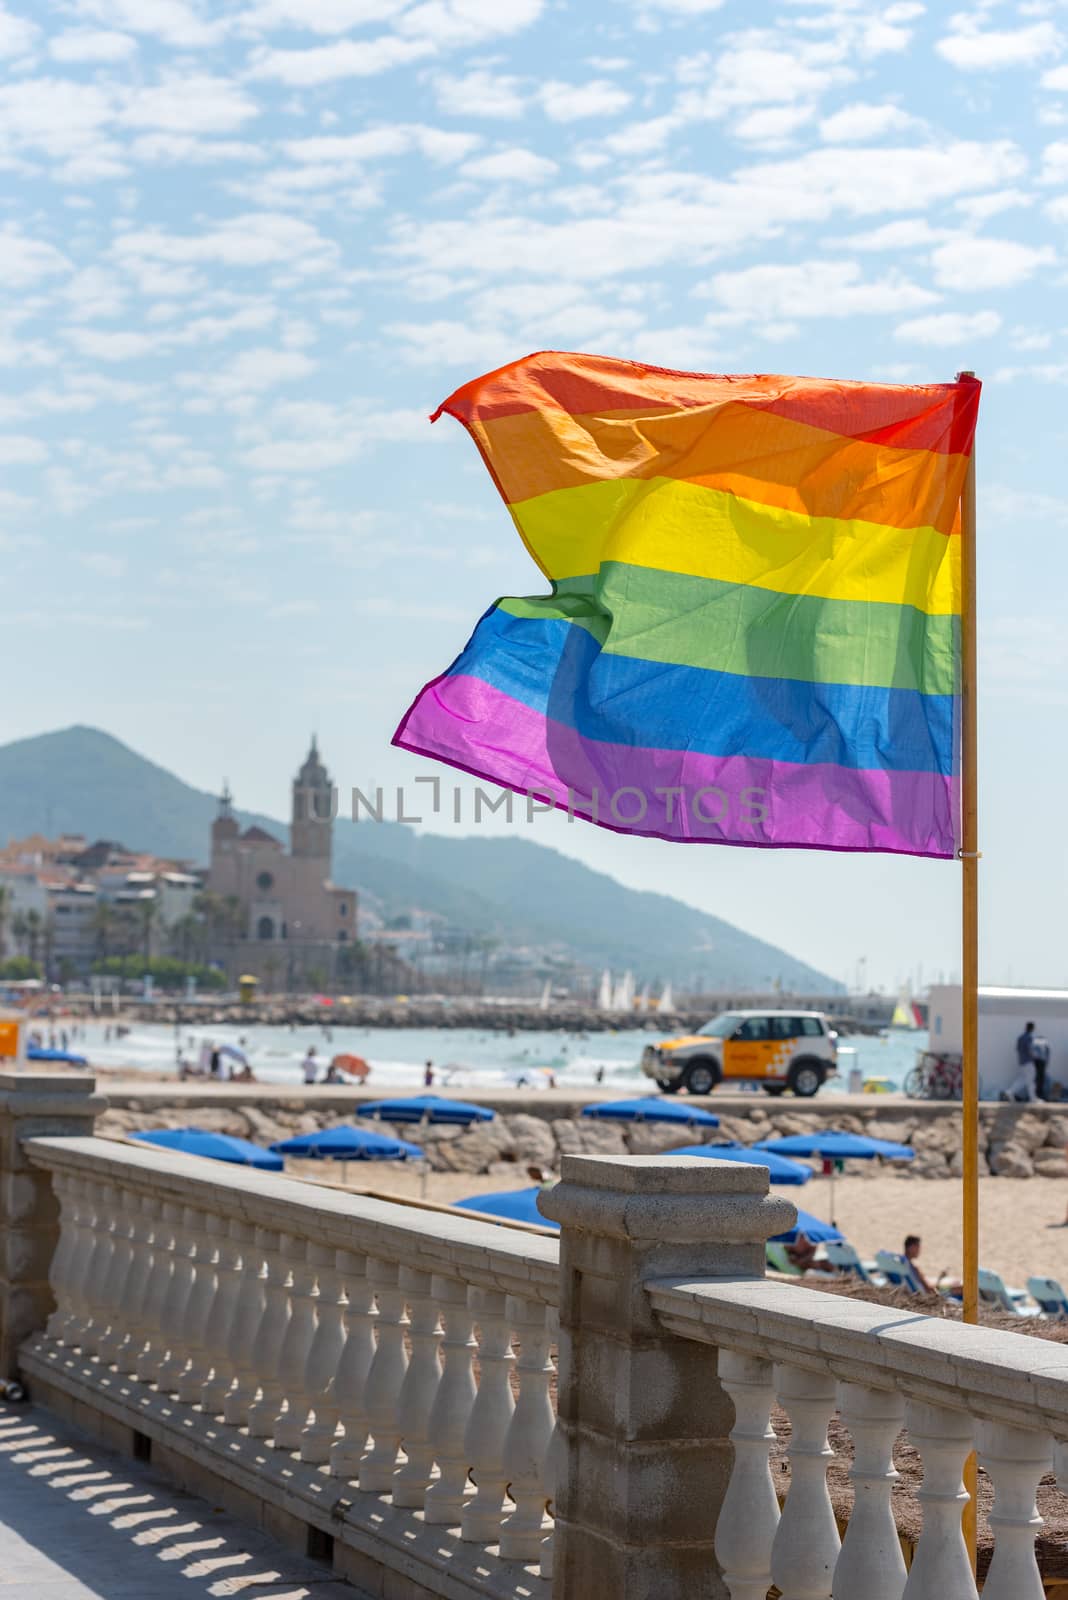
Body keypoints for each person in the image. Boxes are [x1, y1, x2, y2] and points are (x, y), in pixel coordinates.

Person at [1004, 1021, 1038, 1102]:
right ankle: (1033, 1098)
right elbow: (1030, 1049)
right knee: (1031, 1080)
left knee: (1023, 1079)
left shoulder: (1020, 1037)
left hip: (1021, 1061)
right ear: (1033, 1028)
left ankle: (1009, 1092)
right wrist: (1035, 1057)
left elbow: (1017, 1049)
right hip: (1028, 1062)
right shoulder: (1029, 1037)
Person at [1033, 1034, 1051, 1101]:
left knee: (1038, 1079)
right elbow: (1048, 1053)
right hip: (1041, 1062)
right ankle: (1039, 1094)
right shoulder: (1044, 1043)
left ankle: (1038, 1094)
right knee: (1040, 1079)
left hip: (1037, 1062)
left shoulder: (1035, 1043)